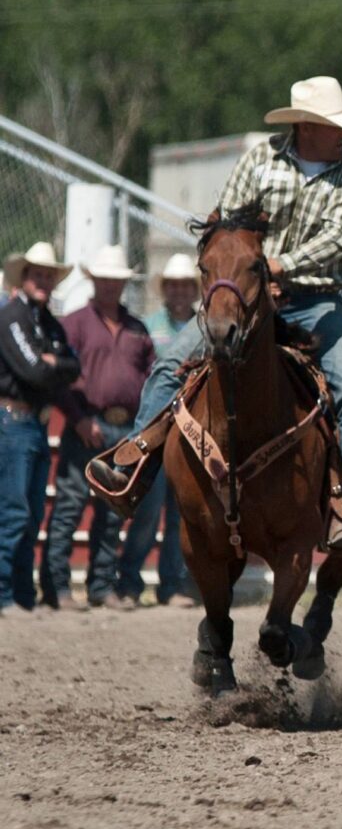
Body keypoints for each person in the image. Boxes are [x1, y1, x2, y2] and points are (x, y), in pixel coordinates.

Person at [87, 75, 342, 551]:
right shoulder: (260, 160)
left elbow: (337, 239)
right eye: (336, 125)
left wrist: (281, 264)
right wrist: (245, 268)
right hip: (244, 295)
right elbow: (228, 222)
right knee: (168, 366)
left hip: (314, 300)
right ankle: (133, 467)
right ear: (308, 126)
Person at [39, 245, 155, 610]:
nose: (110, 285)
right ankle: (56, 587)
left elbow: (152, 380)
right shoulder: (74, 323)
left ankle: (100, 586)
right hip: (86, 423)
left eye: (116, 281)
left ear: (123, 284)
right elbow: (58, 378)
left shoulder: (137, 329)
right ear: (95, 281)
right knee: (70, 508)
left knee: (111, 514)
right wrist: (79, 419)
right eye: (105, 279)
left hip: (124, 431)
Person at [0, 243, 80, 616]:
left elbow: (72, 367)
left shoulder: (45, 323)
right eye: (39, 274)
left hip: (29, 423)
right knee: (15, 511)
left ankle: (21, 594)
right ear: (26, 277)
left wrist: (53, 362)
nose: (45, 281)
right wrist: (52, 362)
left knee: (30, 513)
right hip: (13, 422)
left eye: (49, 275)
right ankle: (6, 593)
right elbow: (36, 370)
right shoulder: (13, 317)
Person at [116, 253, 199, 608]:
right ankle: (130, 582)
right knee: (148, 512)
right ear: (165, 289)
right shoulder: (147, 326)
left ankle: (172, 585)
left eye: (185, 285)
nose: (179, 291)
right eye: (174, 285)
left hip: (192, 434)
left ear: (195, 289)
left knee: (182, 512)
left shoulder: (207, 326)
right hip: (156, 430)